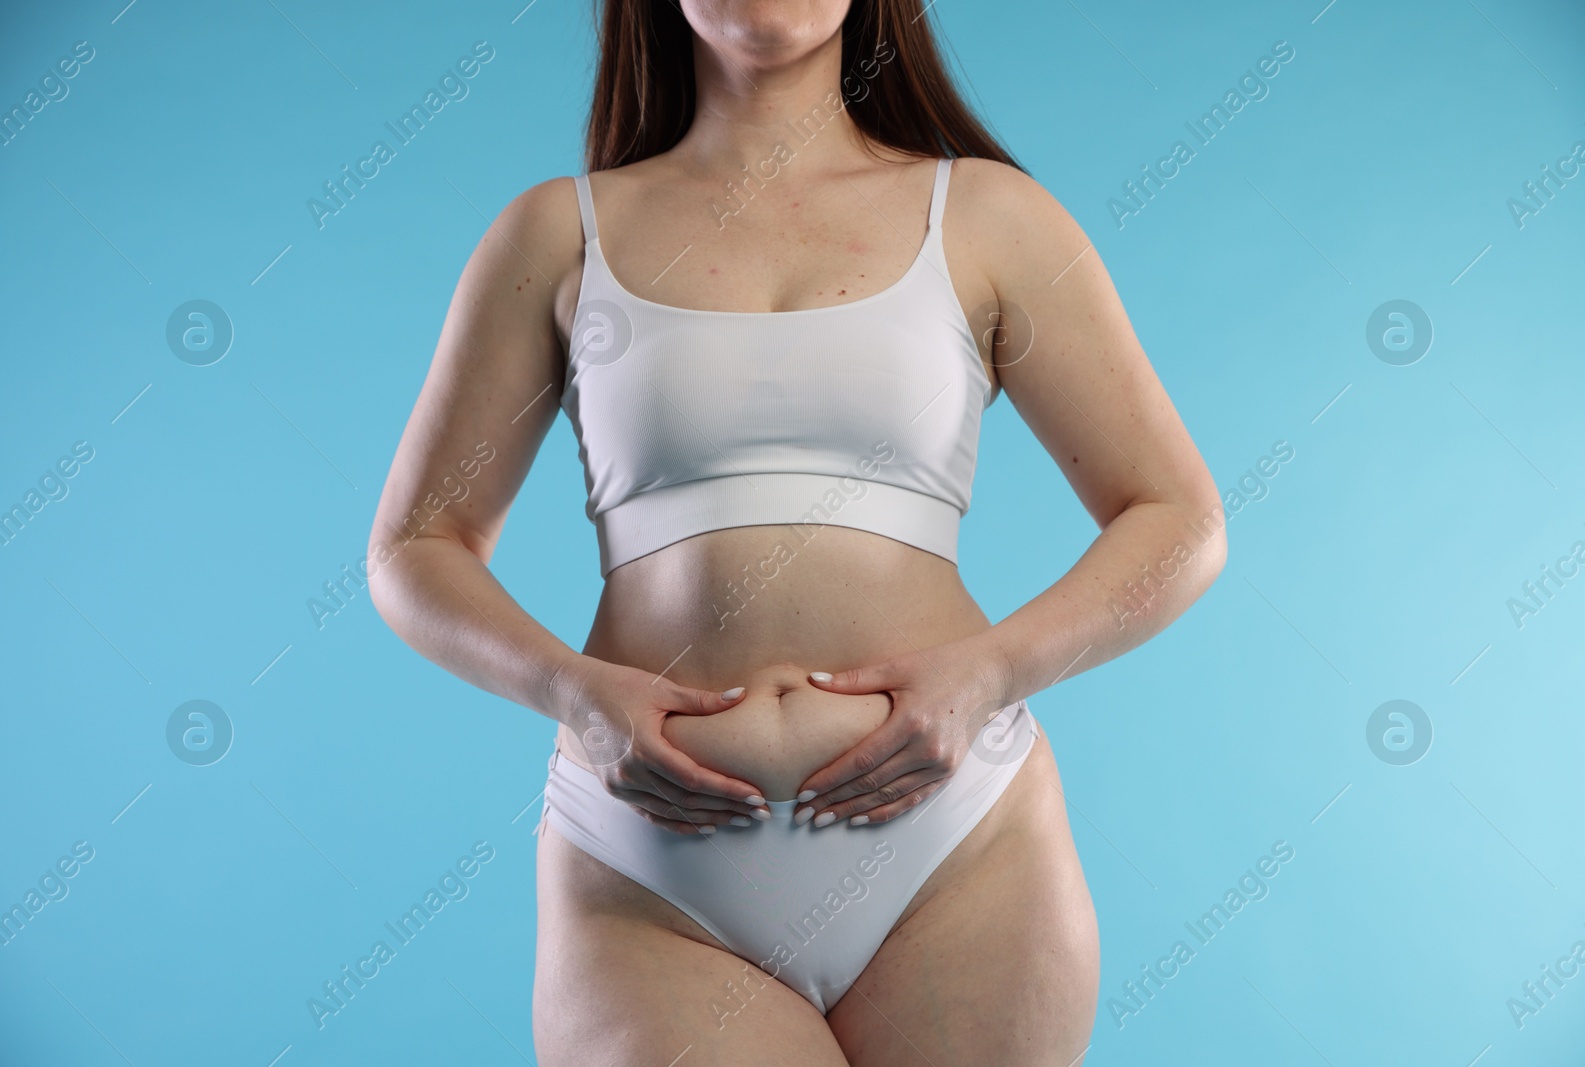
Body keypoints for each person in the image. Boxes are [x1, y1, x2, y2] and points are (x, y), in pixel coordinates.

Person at [369, 1, 1226, 1063]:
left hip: (956, 853)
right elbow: (414, 547)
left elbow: (1177, 518)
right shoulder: (554, 235)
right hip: (651, 877)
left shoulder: (989, 218)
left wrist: (990, 672)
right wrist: (572, 692)